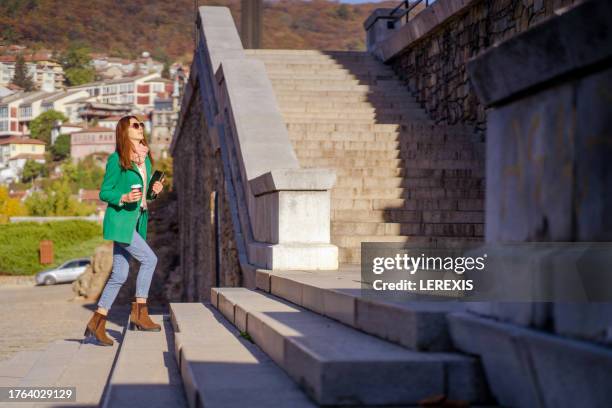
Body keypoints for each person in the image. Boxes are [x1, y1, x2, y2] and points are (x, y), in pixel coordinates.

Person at [83, 115, 164, 346]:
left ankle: (97, 321)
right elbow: (104, 192)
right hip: (120, 221)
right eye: (135, 126)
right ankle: (140, 313)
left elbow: (146, 196)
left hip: (135, 221)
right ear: (124, 131)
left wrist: (155, 190)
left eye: (141, 125)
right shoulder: (116, 160)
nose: (140, 128)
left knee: (119, 274)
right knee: (150, 259)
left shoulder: (145, 159)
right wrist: (124, 197)